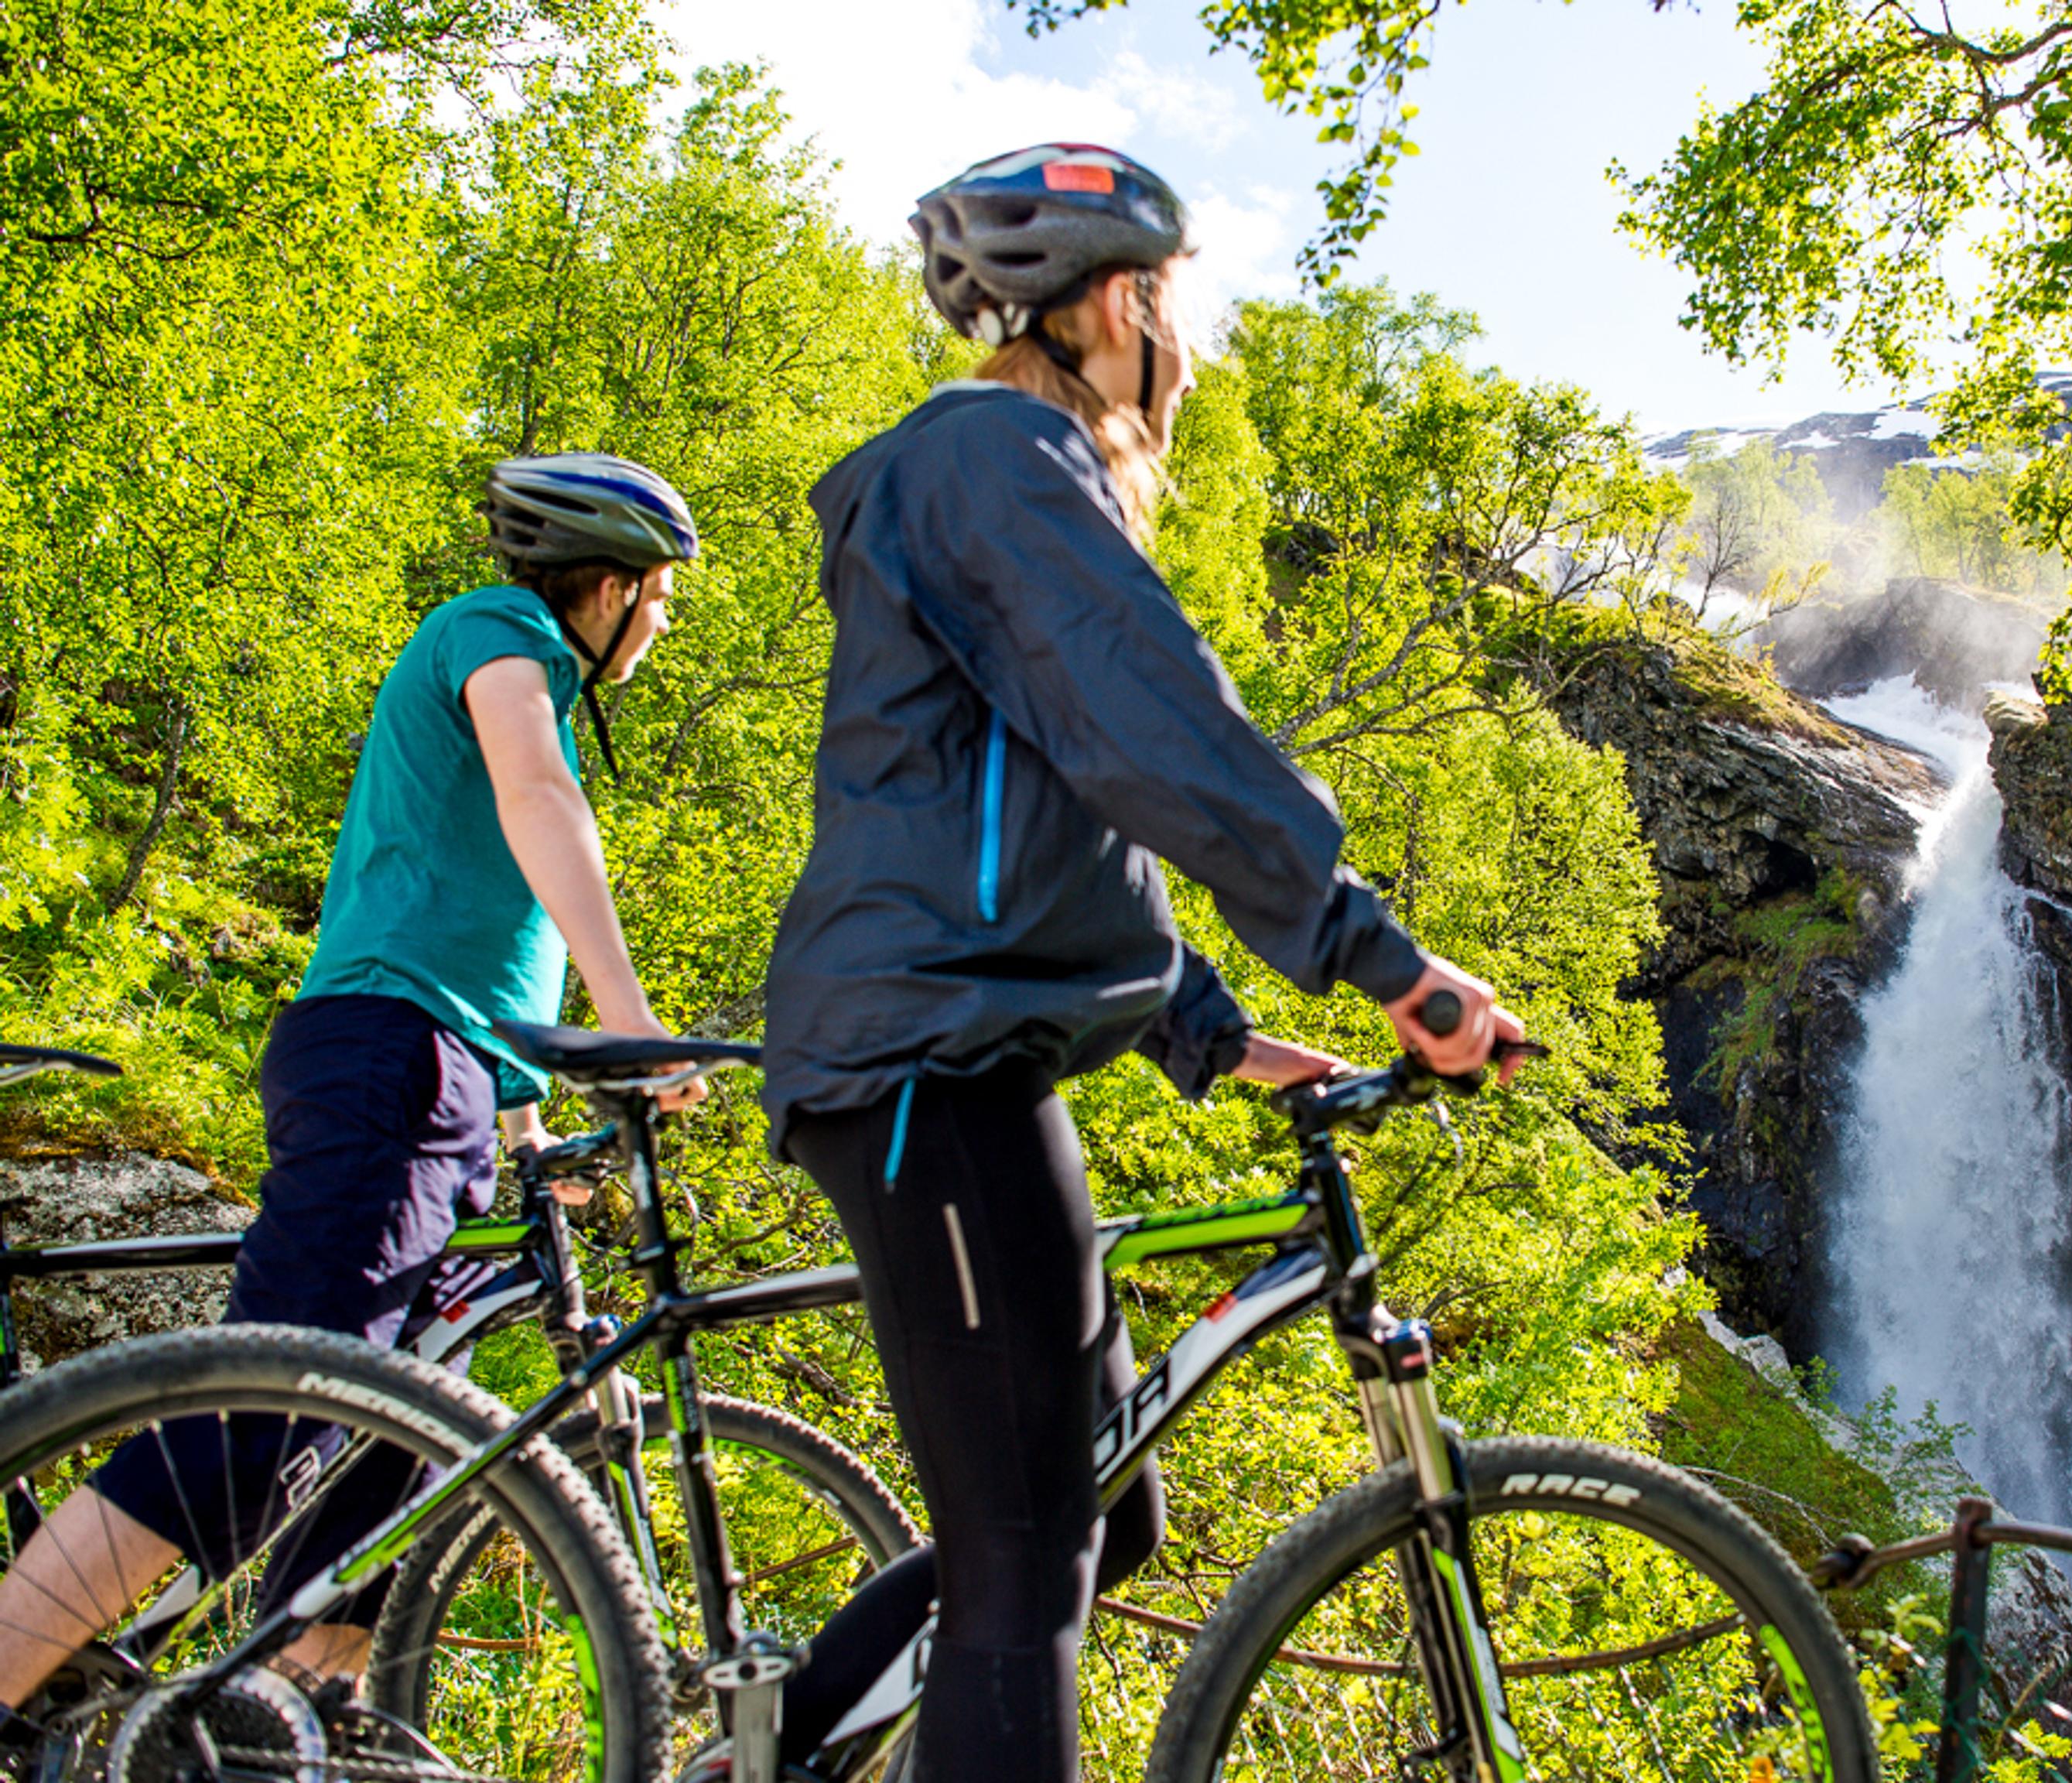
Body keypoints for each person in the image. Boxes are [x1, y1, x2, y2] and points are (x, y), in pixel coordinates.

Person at [756, 142, 1523, 1781]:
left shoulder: (995, 472)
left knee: (1103, 1507)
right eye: (1183, 312)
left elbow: (1056, 797)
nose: (1191, 350)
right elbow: (1154, 732)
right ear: (1123, 305)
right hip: (927, 1069)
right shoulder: (1000, 462)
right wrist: (1383, 959)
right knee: (1025, 1559)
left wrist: (1209, 1034)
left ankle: (762, 1758)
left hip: (956, 1051)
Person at [0, 454, 706, 1737]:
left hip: (438, 1083)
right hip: (389, 1064)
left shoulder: (518, 661)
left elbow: (485, 943)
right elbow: (537, 799)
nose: (659, 626)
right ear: (612, 586)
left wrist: (532, 1126)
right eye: (662, 600)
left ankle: (277, 1724)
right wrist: (631, 1022)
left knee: (398, 1440)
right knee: (270, 1413)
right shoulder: (503, 635)